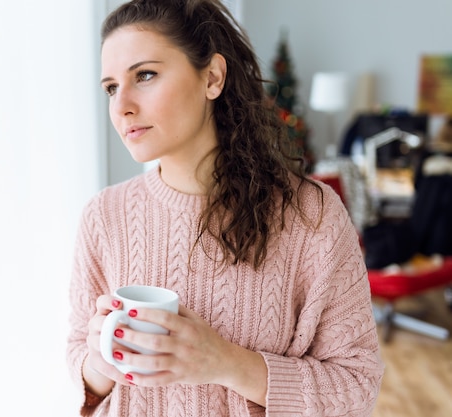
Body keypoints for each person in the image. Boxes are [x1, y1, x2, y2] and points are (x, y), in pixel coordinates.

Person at [66, 0, 384, 415]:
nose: (121, 105)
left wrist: (223, 362)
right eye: (110, 87)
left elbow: (357, 384)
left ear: (212, 77)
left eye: (145, 75)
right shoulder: (104, 215)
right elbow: (81, 370)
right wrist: (99, 357)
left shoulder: (312, 215)